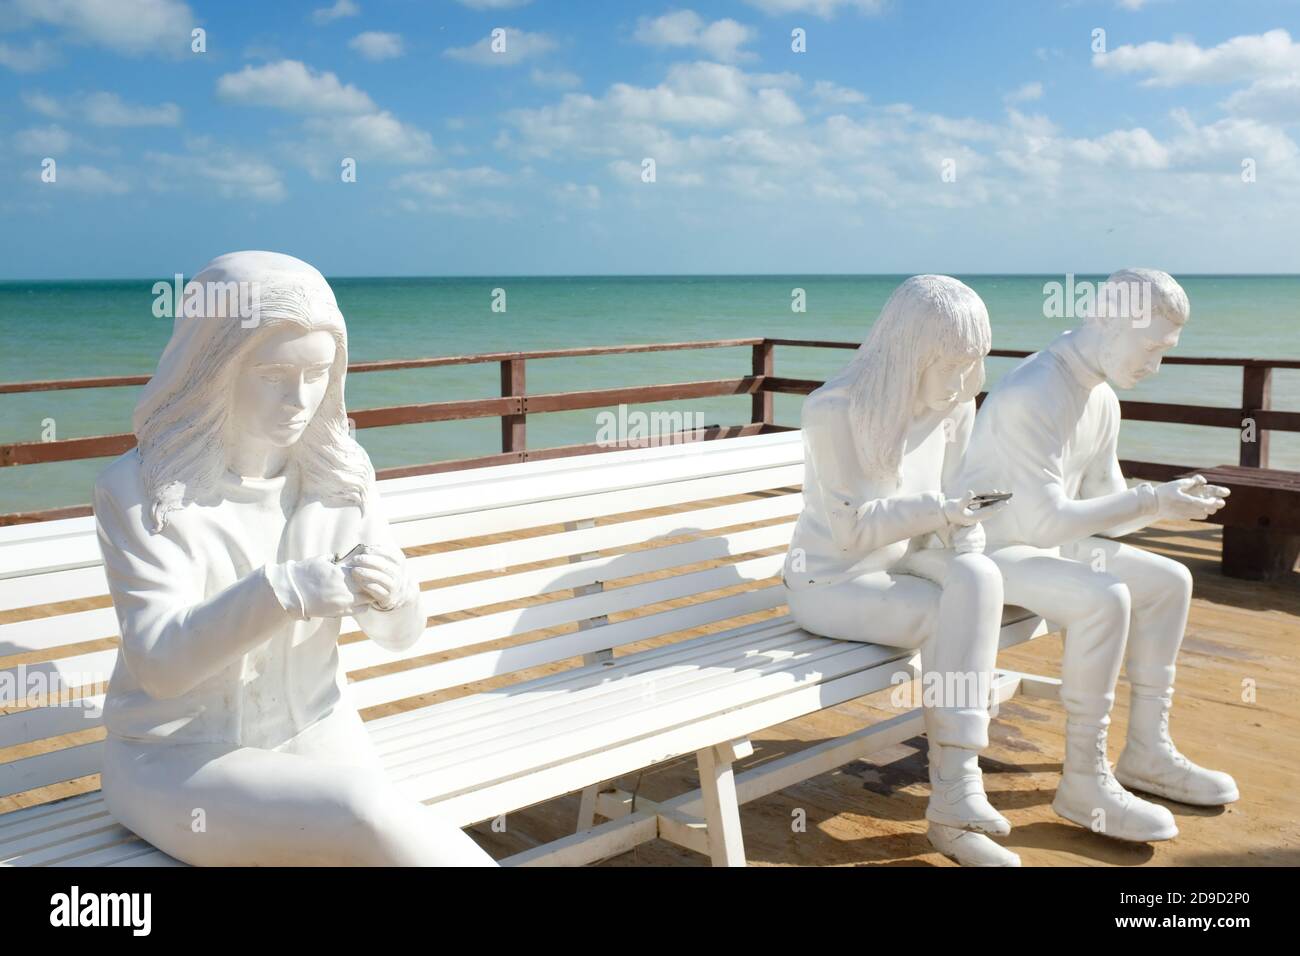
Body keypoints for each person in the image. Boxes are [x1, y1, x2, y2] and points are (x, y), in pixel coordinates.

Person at [95, 250, 498, 866]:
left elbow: (400, 636)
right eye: (274, 374)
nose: (300, 399)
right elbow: (160, 667)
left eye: (318, 374)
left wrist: (397, 595)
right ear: (213, 368)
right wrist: (282, 593)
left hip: (314, 731)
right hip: (178, 758)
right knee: (365, 812)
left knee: (374, 831)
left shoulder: (339, 475)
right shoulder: (144, 492)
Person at [960, 268, 1237, 844]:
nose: (1154, 367)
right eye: (1151, 348)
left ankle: (1146, 751)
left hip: (1045, 544)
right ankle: (1084, 778)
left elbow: (1100, 503)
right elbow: (1042, 522)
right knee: (1103, 595)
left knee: (1169, 579)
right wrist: (1151, 499)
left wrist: (1166, 505)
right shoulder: (1034, 393)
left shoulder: (1100, 395)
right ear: (1109, 323)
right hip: (994, 553)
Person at [783, 275, 1018, 866]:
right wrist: (941, 511)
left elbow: (949, 495)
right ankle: (954, 801)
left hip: (904, 562)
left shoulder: (953, 405)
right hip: (833, 582)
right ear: (910, 353)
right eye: (954, 365)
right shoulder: (833, 409)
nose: (970, 382)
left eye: (977, 363)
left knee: (981, 578)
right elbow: (852, 530)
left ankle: (959, 789)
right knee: (953, 617)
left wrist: (965, 525)